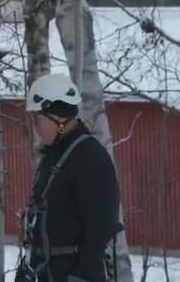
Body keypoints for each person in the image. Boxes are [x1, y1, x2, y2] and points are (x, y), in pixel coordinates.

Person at [18, 73, 122, 282]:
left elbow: (101, 225)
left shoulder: (89, 157)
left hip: (74, 275)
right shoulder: (54, 154)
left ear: (58, 117)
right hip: (46, 272)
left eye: (37, 119)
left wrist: (84, 276)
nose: (35, 127)